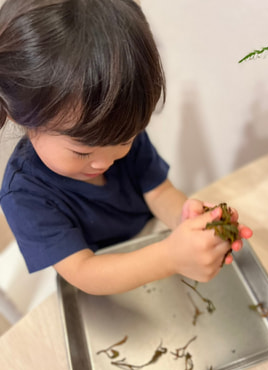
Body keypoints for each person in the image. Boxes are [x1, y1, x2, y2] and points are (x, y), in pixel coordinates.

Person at [0, 0, 252, 295]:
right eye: (82, 151)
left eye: (125, 140)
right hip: (99, 280)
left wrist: (187, 220)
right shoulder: (24, 195)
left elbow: (159, 191)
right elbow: (85, 273)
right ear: (23, 116)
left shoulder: (114, 127)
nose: (104, 161)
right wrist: (170, 256)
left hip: (148, 243)